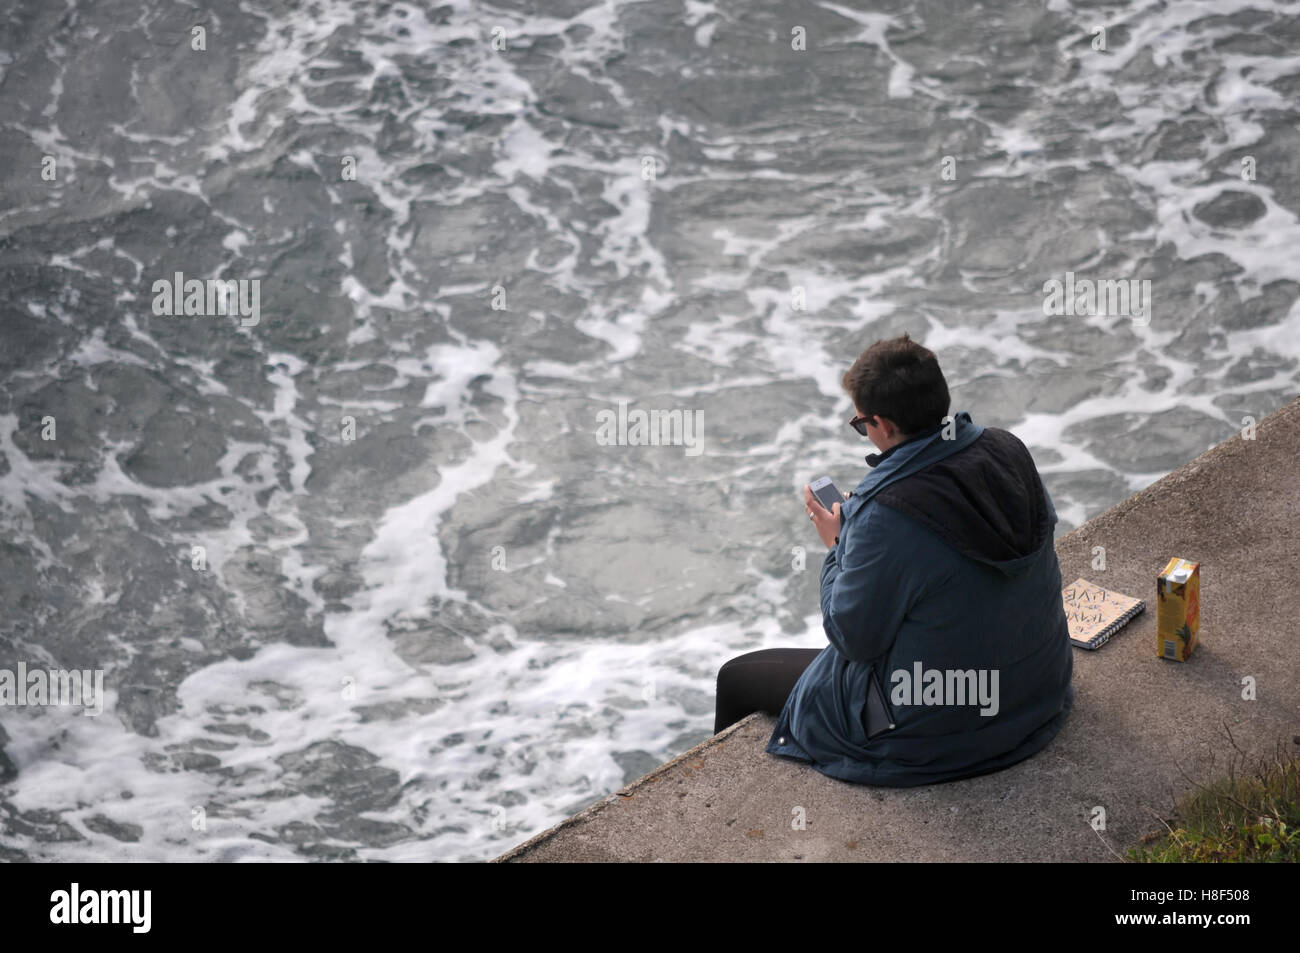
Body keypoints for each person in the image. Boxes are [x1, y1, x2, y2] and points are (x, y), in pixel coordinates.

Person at [713, 333, 1074, 787]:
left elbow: (853, 638)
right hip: (1035, 695)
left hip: (944, 734)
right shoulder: (1008, 451)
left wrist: (839, 545)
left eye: (861, 423)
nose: (865, 431)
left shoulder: (885, 515)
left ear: (881, 424)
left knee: (737, 677)